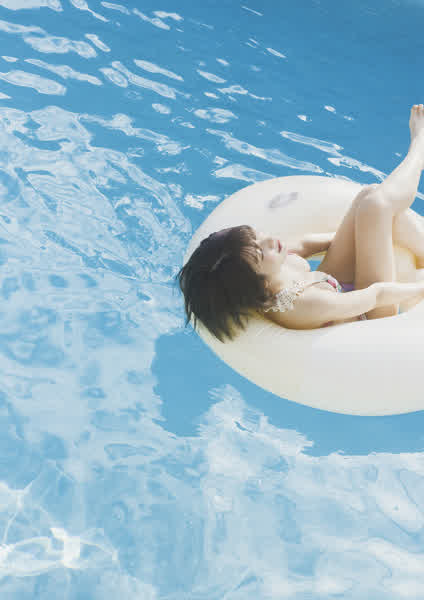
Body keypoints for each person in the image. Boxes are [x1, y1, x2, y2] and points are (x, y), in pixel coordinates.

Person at [178, 104, 424, 341]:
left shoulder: (273, 268)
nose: (268, 240)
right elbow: (376, 295)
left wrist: (367, 234)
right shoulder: (304, 304)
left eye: (257, 236)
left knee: (367, 198)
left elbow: (307, 243)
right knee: (377, 206)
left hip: (337, 287)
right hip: (368, 318)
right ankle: (419, 148)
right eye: (260, 252)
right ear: (259, 282)